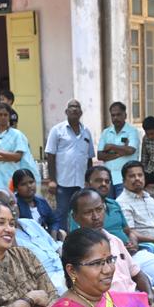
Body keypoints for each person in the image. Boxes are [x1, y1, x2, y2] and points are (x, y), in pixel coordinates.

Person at [0, 184, 64, 294]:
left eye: (12, 203)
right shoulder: (4, 237)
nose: (11, 209)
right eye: (4, 206)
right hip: (46, 285)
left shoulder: (30, 223)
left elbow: (56, 248)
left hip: (63, 272)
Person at [44, 99, 95, 235]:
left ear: (81, 112)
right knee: (62, 213)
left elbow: (89, 158)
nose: (74, 109)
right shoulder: (57, 130)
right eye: (71, 107)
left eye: (77, 107)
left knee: (83, 212)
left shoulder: (86, 132)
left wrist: (89, 180)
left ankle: (82, 238)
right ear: (66, 112)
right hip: (63, 182)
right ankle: (63, 242)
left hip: (81, 183)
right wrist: (52, 180)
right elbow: (51, 156)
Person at [0, 102, 39, 199]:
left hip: (9, 173)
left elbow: (18, 156)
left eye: (5, 115)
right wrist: (7, 158)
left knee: (10, 200)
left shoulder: (17, 135)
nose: (3, 117)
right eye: (0, 114)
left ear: (9, 117)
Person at [98, 101, 140, 198]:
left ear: (125, 115)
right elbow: (100, 156)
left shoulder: (132, 131)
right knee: (109, 209)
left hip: (125, 179)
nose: (115, 118)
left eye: (118, 115)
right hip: (108, 179)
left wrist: (111, 147)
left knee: (123, 210)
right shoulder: (106, 132)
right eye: (113, 115)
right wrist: (121, 151)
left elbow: (130, 151)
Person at [14, 167, 57, 236]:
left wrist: (53, 235)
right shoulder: (14, 205)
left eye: (31, 182)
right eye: (23, 184)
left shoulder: (41, 202)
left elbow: (53, 221)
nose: (29, 186)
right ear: (16, 188)